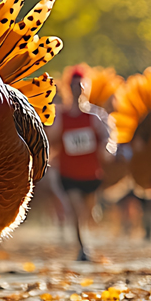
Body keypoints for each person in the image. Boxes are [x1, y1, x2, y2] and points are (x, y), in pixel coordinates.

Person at [47, 70, 112, 261]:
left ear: (85, 88)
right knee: (76, 209)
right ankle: (82, 247)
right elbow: (51, 139)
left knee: (88, 212)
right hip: (68, 173)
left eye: (80, 85)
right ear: (69, 88)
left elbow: (107, 138)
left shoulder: (95, 116)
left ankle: (87, 230)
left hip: (91, 174)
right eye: (74, 86)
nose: (77, 89)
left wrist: (106, 148)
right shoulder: (60, 116)